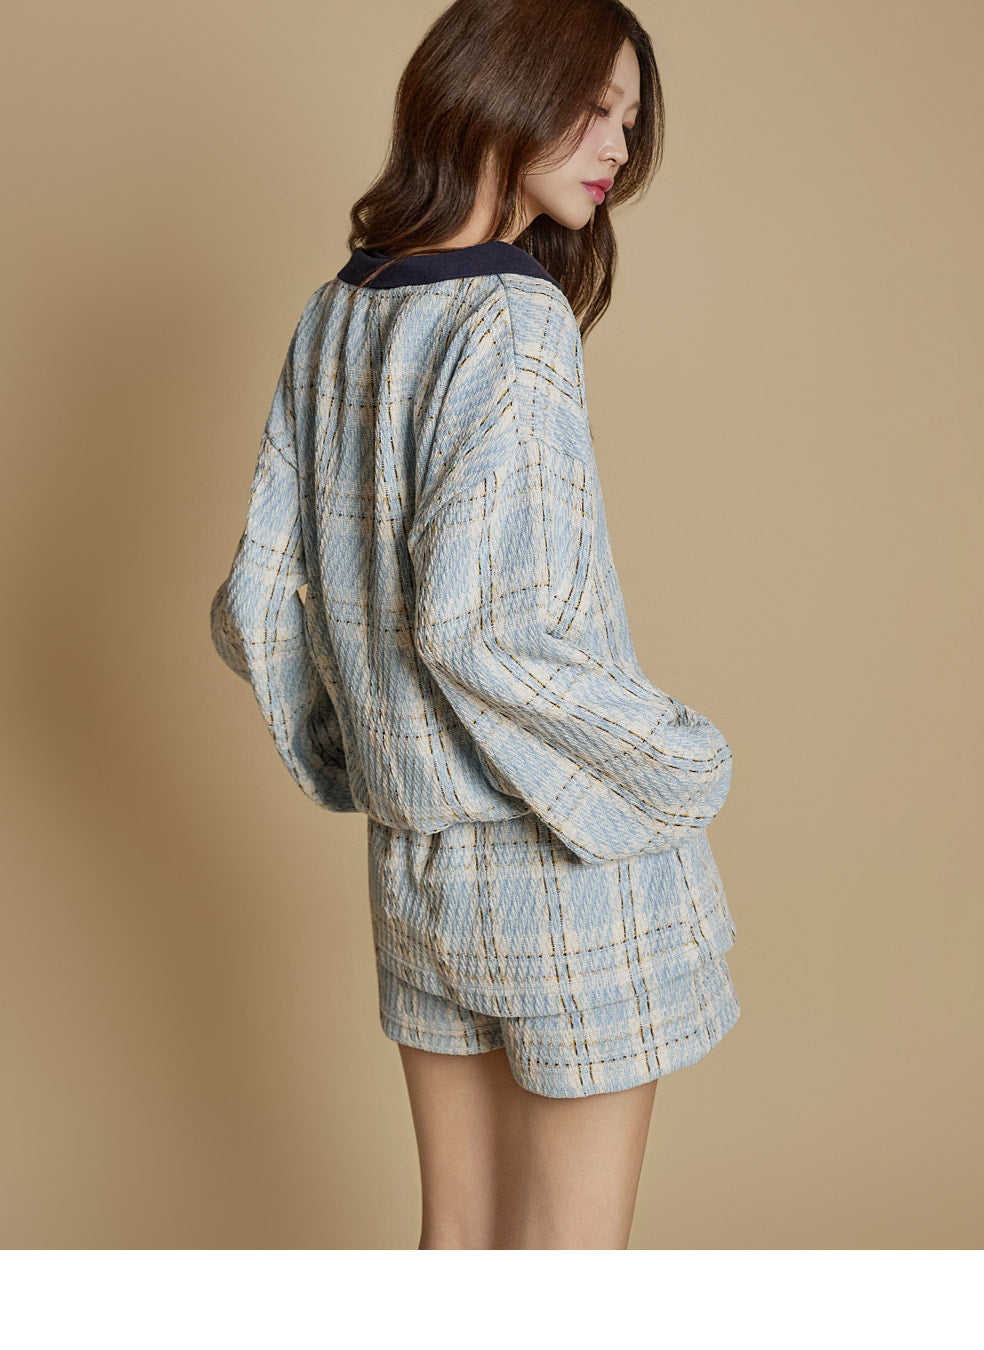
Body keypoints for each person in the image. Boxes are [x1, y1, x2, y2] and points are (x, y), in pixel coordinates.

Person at [209, 0, 740, 1250]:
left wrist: (367, 764)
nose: (618, 146)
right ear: (501, 87)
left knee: (458, 1251)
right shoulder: (511, 318)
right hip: (561, 856)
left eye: (629, 118)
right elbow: (485, 636)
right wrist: (678, 761)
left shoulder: (339, 310)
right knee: (564, 1272)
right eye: (593, 107)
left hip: (417, 866)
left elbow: (253, 603)